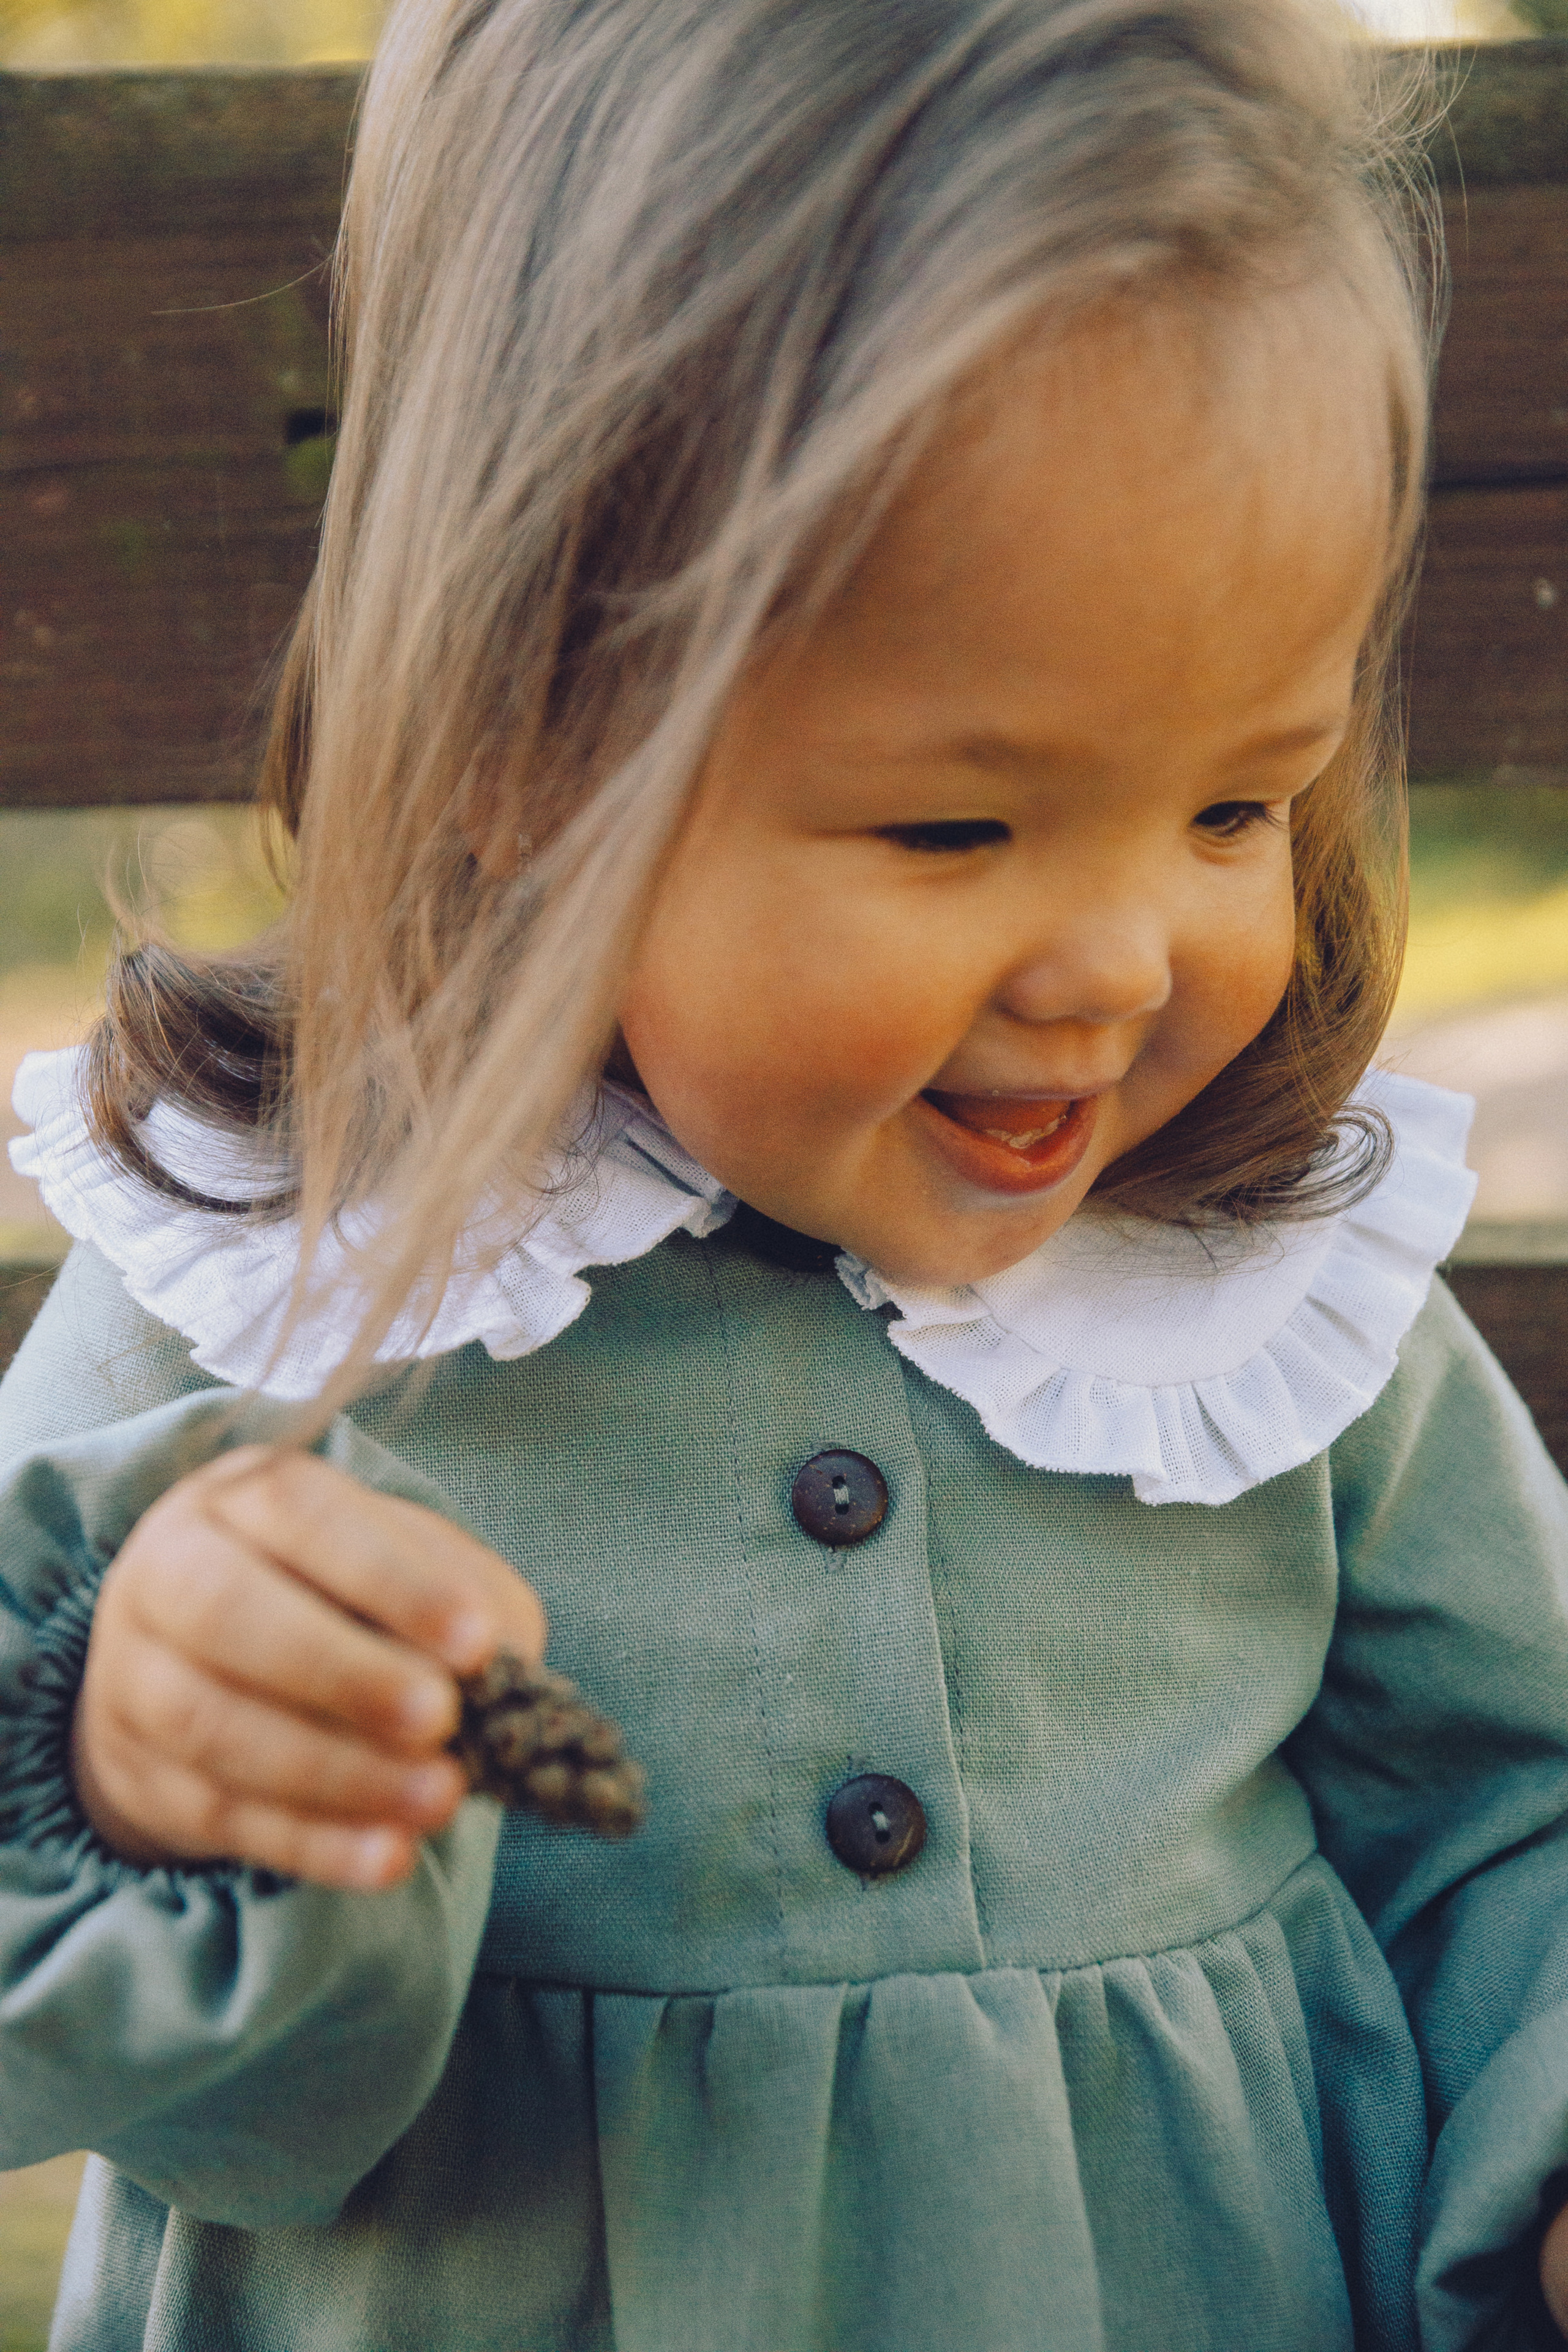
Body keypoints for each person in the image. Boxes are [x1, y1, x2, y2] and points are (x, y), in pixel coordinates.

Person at [3, 0, 1567, 2344]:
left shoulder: (1261, 1303)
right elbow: (138, 2058)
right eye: (954, 826)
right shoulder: (286, 1275)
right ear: (525, 749)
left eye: (1240, 803)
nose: (1122, 965)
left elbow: (1515, 1816)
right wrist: (140, 1762)